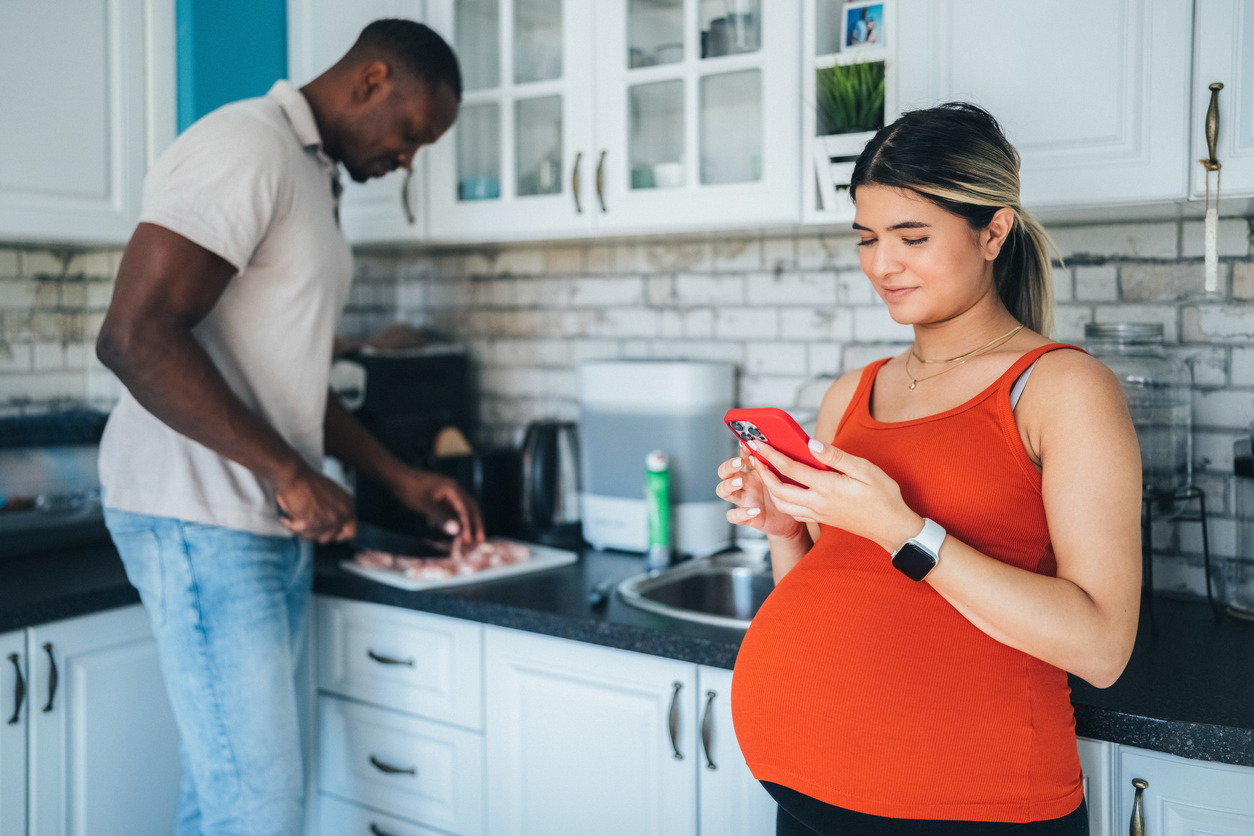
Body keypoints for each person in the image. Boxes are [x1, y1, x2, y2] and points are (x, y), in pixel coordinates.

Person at [95, 20, 479, 836]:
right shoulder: (245, 147)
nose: (409, 160)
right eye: (412, 135)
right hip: (198, 515)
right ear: (371, 80)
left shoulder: (312, 176)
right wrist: (288, 473)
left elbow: (286, 376)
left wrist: (394, 476)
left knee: (225, 798)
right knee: (259, 813)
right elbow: (134, 337)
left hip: (257, 521)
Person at [718, 103, 1141, 835]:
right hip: (803, 794)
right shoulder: (850, 393)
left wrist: (904, 529)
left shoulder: (1060, 388)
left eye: (912, 237)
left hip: (972, 809)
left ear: (993, 231)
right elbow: (833, 589)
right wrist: (787, 530)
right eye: (867, 239)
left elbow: (1101, 647)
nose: (883, 265)